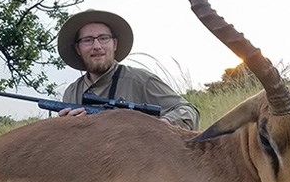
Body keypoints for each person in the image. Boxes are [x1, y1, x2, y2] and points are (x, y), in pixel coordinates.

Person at [56, 10, 200, 129]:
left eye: (103, 38)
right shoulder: (72, 92)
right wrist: (66, 127)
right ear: (78, 49)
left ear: (115, 44)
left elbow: (189, 111)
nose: (97, 46)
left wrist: (162, 126)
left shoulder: (140, 80)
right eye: (87, 40)